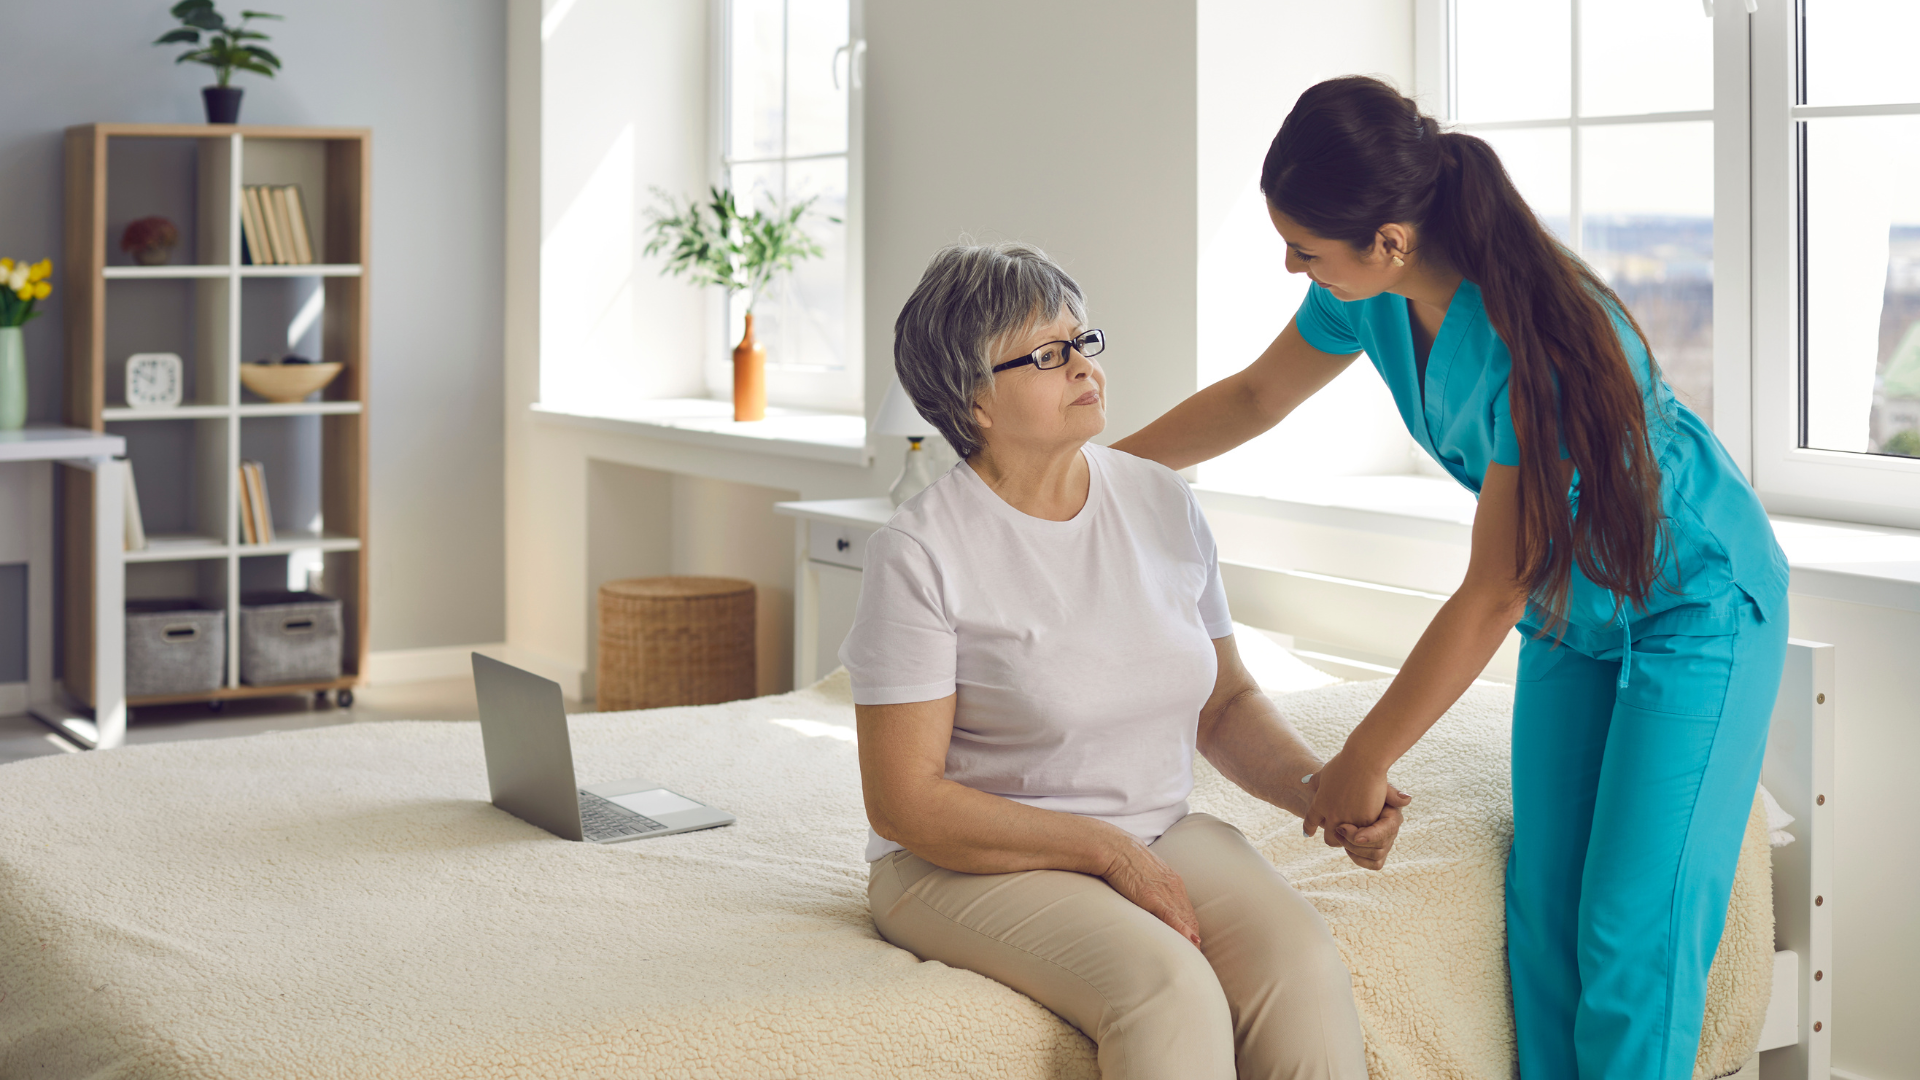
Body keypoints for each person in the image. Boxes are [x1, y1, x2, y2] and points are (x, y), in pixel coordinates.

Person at [1112, 76, 1790, 1080]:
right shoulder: (1370, 298)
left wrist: (1363, 757)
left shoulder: (1545, 340)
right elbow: (1257, 395)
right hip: (1574, 616)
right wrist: (1091, 478)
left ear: (1389, 239)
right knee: (1546, 915)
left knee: (1627, 931)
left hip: (1692, 609)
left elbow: (1491, 590)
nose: (1293, 263)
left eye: (1306, 248)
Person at [844, 240, 1403, 1080]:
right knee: (1168, 989)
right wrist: (1107, 853)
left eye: (1084, 341)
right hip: (961, 863)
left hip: (1158, 829)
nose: (1082, 366)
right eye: (1046, 353)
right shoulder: (920, 553)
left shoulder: (1161, 500)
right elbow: (905, 803)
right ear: (973, 401)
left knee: (1302, 963)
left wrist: (1319, 790)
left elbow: (1222, 704)